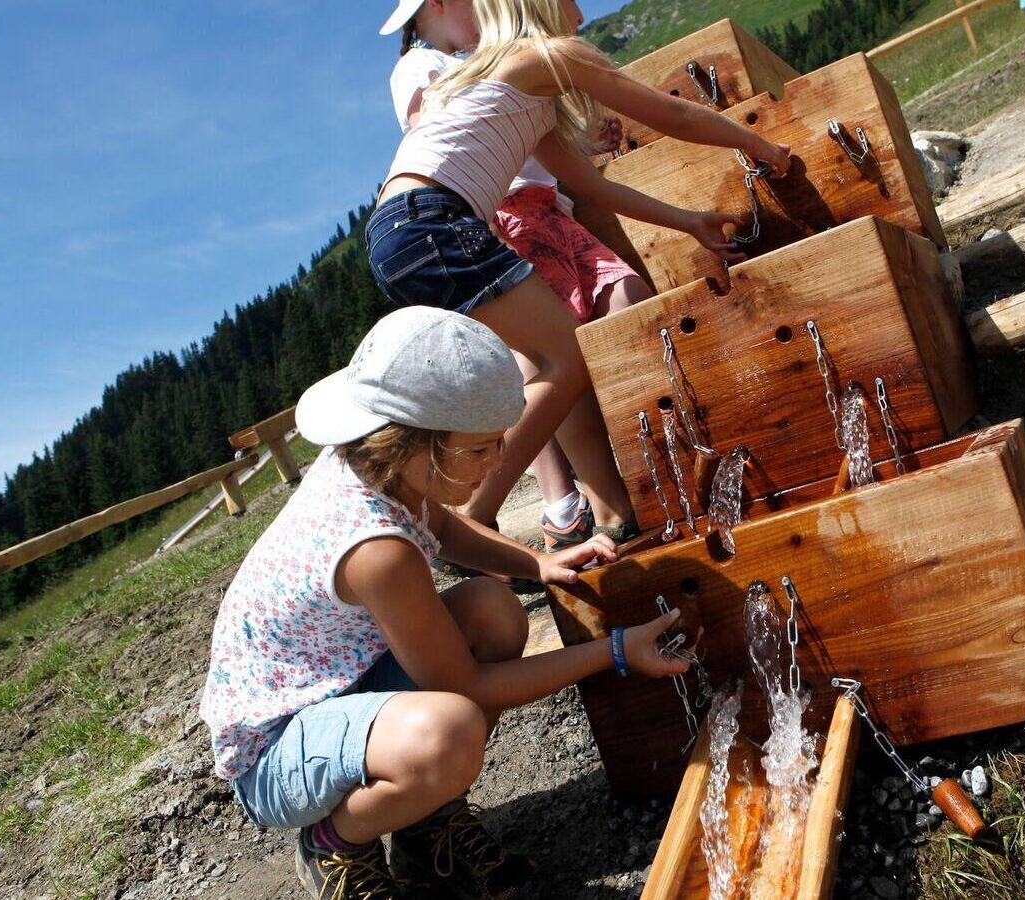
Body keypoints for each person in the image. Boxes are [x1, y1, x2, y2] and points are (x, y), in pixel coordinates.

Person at [200, 307, 691, 900]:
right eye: (482, 449)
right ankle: (335, 843)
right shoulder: (376, 550)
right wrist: (614, 650)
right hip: (275, 749)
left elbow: (445, 526)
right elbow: (472, 686)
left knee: (494, 609)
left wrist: (536, 562)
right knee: (449, 732)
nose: (499, 461)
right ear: (414, 442)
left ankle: (422, 824)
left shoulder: (381, 465)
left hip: (338, 684)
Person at [365, 0, 790, 559]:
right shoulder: (545, 56)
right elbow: (674, 116)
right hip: (435, 221)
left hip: (400, 229)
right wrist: (757, 144)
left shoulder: (518, 91)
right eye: (571, 1)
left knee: (553, 357)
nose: (584, 15)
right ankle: (466, 516)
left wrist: (688, 222)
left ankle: (483, 508)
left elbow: (595, 189)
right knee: (564, 356)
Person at [384, 0, 655, 553]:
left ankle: (601, 496)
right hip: (491, 215)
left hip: (526, 209)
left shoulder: (472, 62)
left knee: (572, 346)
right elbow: (445, 137)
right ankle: (479, 514)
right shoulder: (421, 65)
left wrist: (577, 142)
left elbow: (519, 140)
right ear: (435, 5)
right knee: (555, 360)